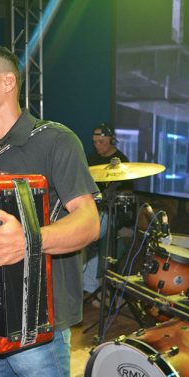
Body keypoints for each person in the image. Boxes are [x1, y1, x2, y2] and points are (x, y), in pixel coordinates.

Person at [0, 42, 100, 377]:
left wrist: (28, 241)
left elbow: (89, 222)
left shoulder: (55, 140)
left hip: (39, 316)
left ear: (7, 83)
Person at [83, 123, 132, 294]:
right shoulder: (91, 159)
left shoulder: (121, 160)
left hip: (111, 211)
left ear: (111, 140)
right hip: (90, 208)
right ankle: (84, 283)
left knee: (90, 236)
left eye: (101, 142)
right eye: (95, 142)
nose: (97, 146)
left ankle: (89, 286)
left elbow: (127, 192)